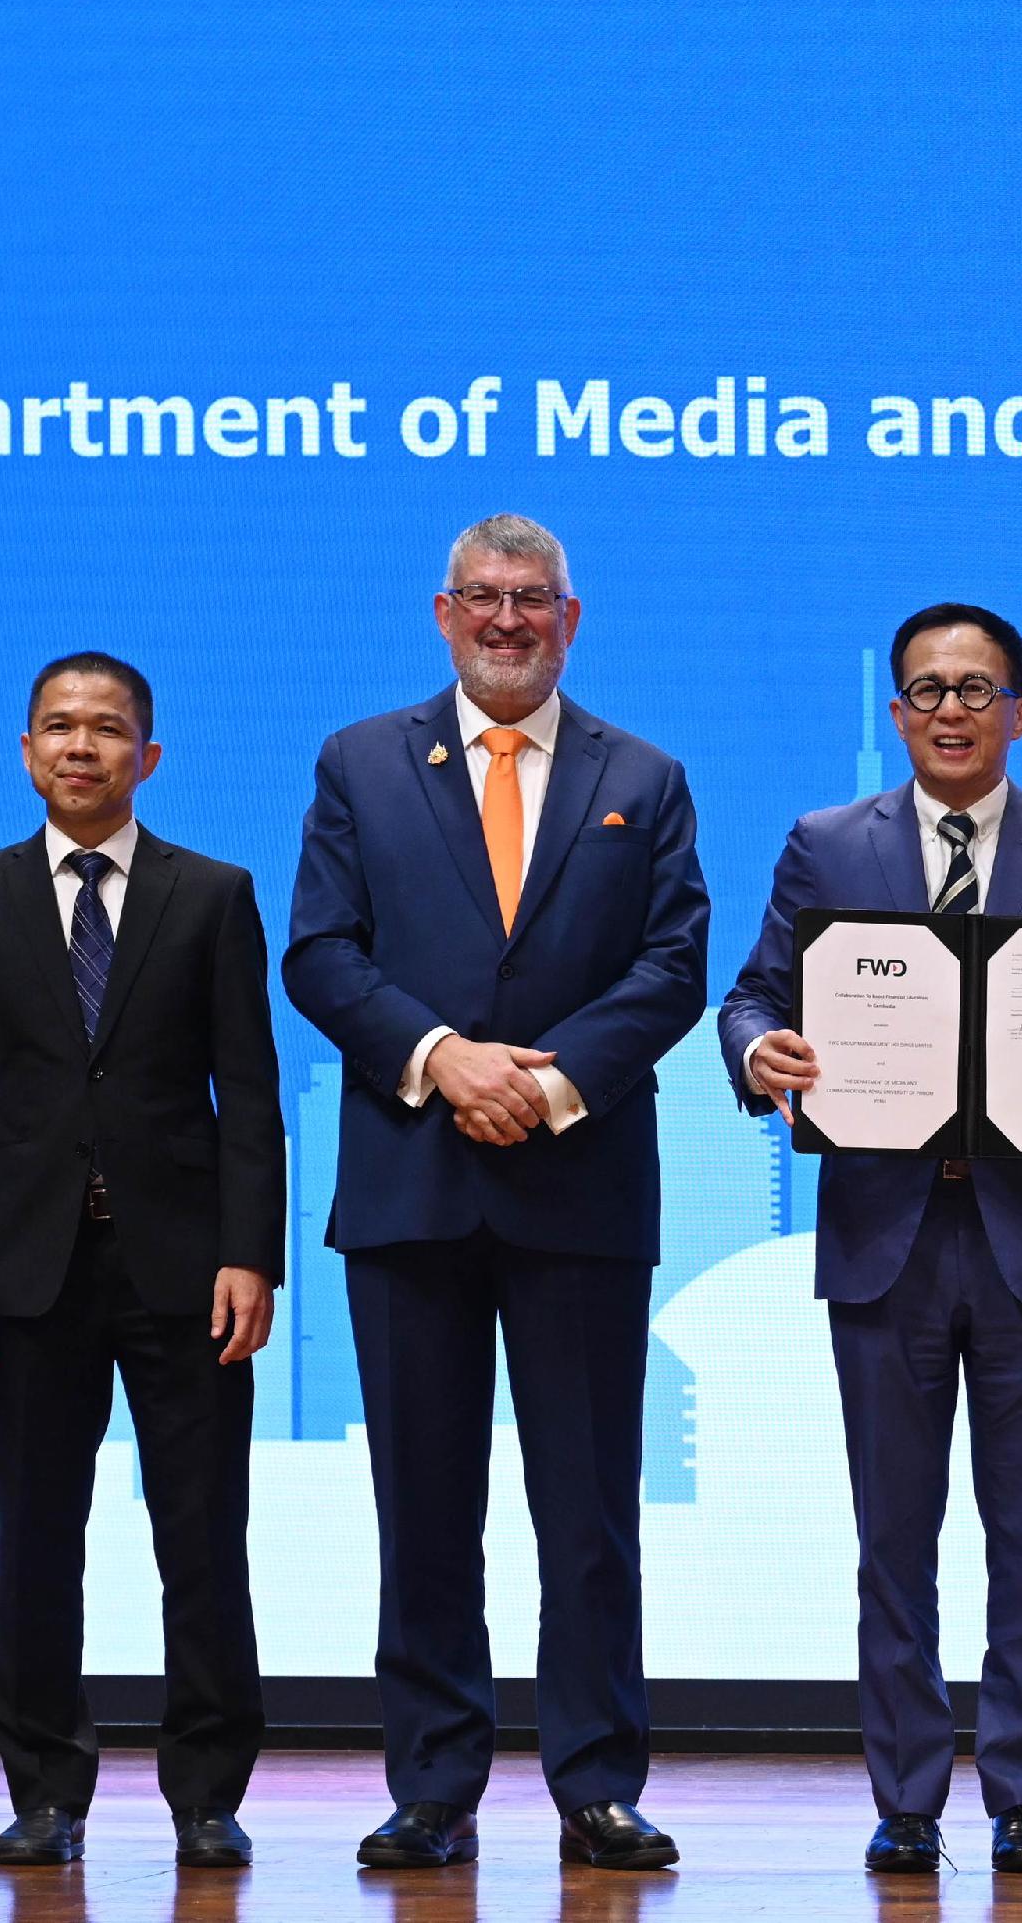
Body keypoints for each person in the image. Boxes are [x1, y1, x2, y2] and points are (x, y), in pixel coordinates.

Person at [283, 514, 710, 1873]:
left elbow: (672, 963)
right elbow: (321, 952)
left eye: (534, 599)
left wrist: (552, 1078)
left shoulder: (643, 772)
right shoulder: (360, 760)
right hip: (414, 1181)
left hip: (578, 1180)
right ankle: (433, 1786)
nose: (509, 619)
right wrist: (441, 1058)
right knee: (425, 1502)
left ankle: (595, 1780)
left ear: (571, 619)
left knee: (588, 1508)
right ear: (443, 611)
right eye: (485, 597)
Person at [717, 603, 1022, 1877]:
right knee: (892, 1537)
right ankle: (906, 1793)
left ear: (1020, 711)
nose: (952, 710)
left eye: (977, 689)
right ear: (896, 713)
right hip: (884, 1236)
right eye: (927, 689)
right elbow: (754, 986)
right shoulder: (823, 844)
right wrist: (764, 1049)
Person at [0, 651, 283, 1872]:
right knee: (36, 1531)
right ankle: (43, 1789)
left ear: (149, 756)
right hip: (29, 1268)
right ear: (26, 751)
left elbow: (251, 1092)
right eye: (58, 728)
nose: (82, 747)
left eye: (108, 729)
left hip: (185, 1268)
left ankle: (207, 1795)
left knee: (201, 1531)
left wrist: (254, 1255)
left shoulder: (212, 892)